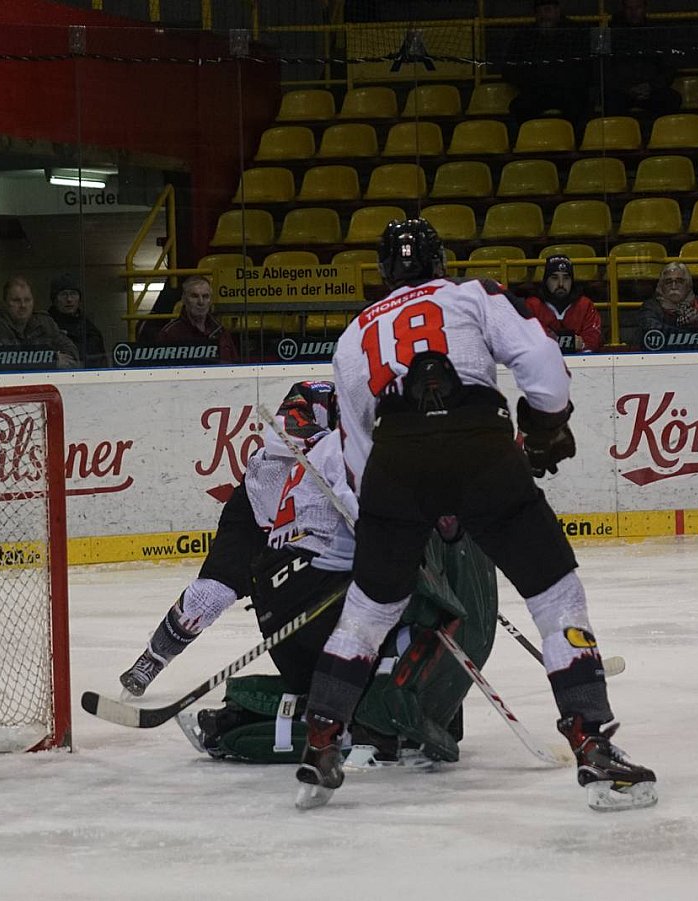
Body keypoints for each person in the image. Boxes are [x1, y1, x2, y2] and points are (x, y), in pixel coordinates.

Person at [298, 218, 656, 813]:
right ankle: (591, 740)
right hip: (479, 446)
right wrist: (544, 425)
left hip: (395, 462)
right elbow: (540, 360)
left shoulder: (354, 333)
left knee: (368, 609)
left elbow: (356, 447)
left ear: (383, 272)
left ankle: (322, 740)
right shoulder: (472, 293)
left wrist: (390, 519)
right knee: (555, 593)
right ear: (440, 260)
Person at [179, 431, 498, 771]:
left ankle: (378, 723)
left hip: (305, 590)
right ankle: (369, 731)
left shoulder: (380, 446)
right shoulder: (346, 451)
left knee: (400, 632)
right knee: (395, 624)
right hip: (299, 598)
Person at [118, 381, 340, 699]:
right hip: (256, 512)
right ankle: (152, 660)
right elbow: (279, 432)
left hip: (309, 529)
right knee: (210, 595)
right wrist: (331, 446)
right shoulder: (317, 393)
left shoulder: (380, 421)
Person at [501, 0, 593, 131]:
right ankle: (530, 139)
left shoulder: (576, 32)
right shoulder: (524, 36)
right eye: (539, 11)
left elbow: (587, 66)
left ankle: (575, 140)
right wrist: (532, 81)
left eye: (548, 10)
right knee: (520, 107)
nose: (544, 15)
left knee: (580, 106)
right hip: (537, 91)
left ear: (557, 11)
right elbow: (509, 67)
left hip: (569, 90)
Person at [605, 0, 681, 121]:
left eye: (637, 8)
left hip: (651, 89)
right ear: (623, 9)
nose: (633, 12)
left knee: (672, 99)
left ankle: (657, 132)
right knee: (611, 101)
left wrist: (651, 86)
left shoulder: (657, 33)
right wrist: (626, 88)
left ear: (645, 8)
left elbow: (669, 67)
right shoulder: (609, 33)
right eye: (629, 8)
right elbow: (603, 68)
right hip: (622, 90)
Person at [0, 277, 81, 369]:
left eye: (27, 300)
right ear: (5, 303)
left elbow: (72, 352)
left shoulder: (44, 322)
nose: (23, 305)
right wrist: (52, 359)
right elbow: (8, 359)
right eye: (16, 300)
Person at [523, 255, 603, 352]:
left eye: (566, 278)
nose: (561, 284)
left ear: (572, 281)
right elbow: (526, 339)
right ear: (546, 280)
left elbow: (594, 340)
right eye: (554, 278)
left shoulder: (585, 305)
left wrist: (583, 344)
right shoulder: (532, 305)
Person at [151, 275, 237, 363]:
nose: (201, 302)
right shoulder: (170, 334)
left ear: (210, 300)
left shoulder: (221, 332)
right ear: (184, 299)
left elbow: (234, 365)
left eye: (205, 296)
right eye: (194, 296)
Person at [46, 273, 108, 367]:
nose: (69, 299)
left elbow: (101, 363)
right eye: (63, 294)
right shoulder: (44, 326)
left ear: (79, 299)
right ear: (54, 299)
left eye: (73, 294)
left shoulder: (90, 330)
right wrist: (53, 359)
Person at [639, 261, 698, 333]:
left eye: (679, 281)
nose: (673, 286)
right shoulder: (650, 307)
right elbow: (653, 330)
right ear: (661, 286)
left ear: (688, 285)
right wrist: (685, 327)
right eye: (668, 282)